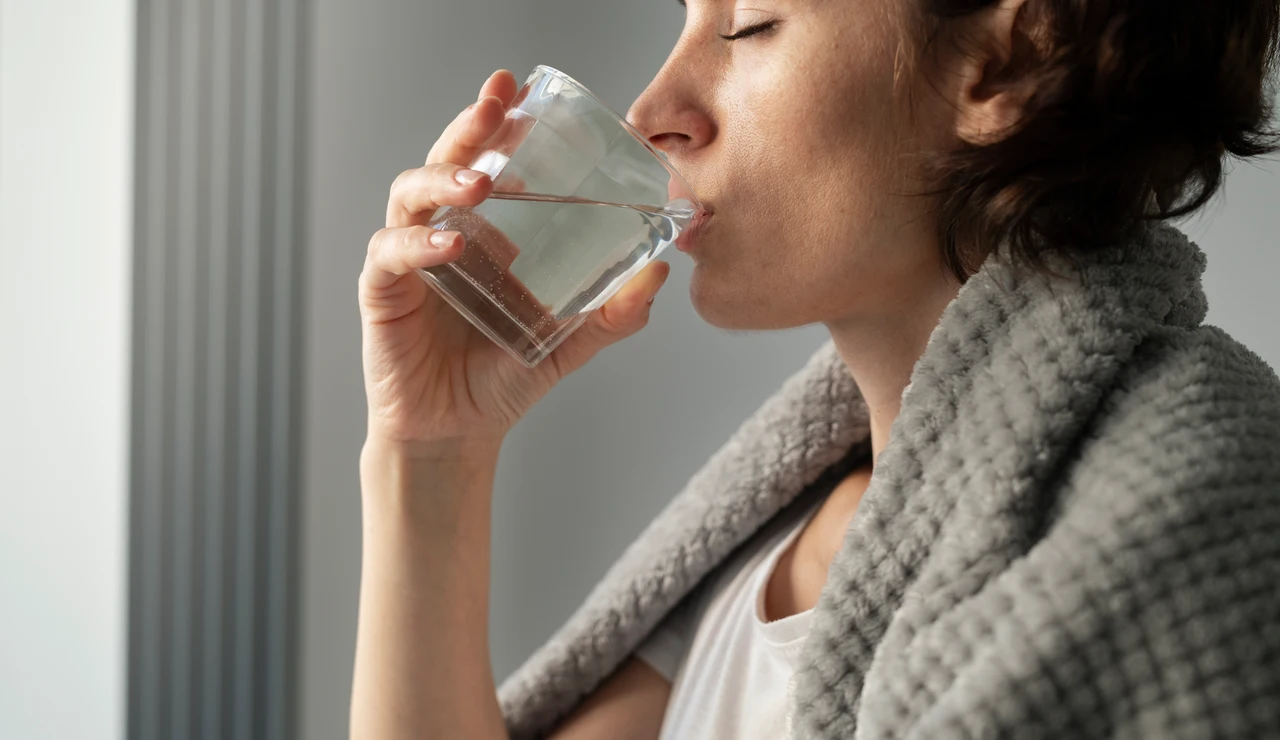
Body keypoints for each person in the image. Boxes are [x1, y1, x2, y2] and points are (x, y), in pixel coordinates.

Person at [348, 0, 1280, 737]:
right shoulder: (774, 543)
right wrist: (430, 453)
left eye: (748, 24)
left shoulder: (1194, 508)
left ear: (1007, 62)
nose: (649, 114)